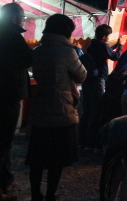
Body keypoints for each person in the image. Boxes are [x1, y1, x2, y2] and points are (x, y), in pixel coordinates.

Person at [25, 14, 87, 201]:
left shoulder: (38, 51)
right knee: (57, 158)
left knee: (37, 158)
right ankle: (50, 195)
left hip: (40, 107)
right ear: (66, 31)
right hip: (62, 109)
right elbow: (82, 76)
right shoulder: (68, 52)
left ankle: (36, 194)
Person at [0, 3, 31, 201]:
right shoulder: (12, 36)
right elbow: (28, 59)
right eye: (22, 17)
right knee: (4, 140)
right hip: (7, 94)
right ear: (15, 18)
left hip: (5, 92)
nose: (23, 21)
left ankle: (6, 179)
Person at [78, 24, 124, 151]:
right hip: (97, 80)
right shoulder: (102, 45)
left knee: (86, 111)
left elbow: (106, 51)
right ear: (104, 36)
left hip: (87, 80)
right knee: (96, 112)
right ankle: (91, 143)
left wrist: (115, 44)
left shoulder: (91, 44)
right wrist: (121, 45)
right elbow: (116, 57)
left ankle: (81, 141)